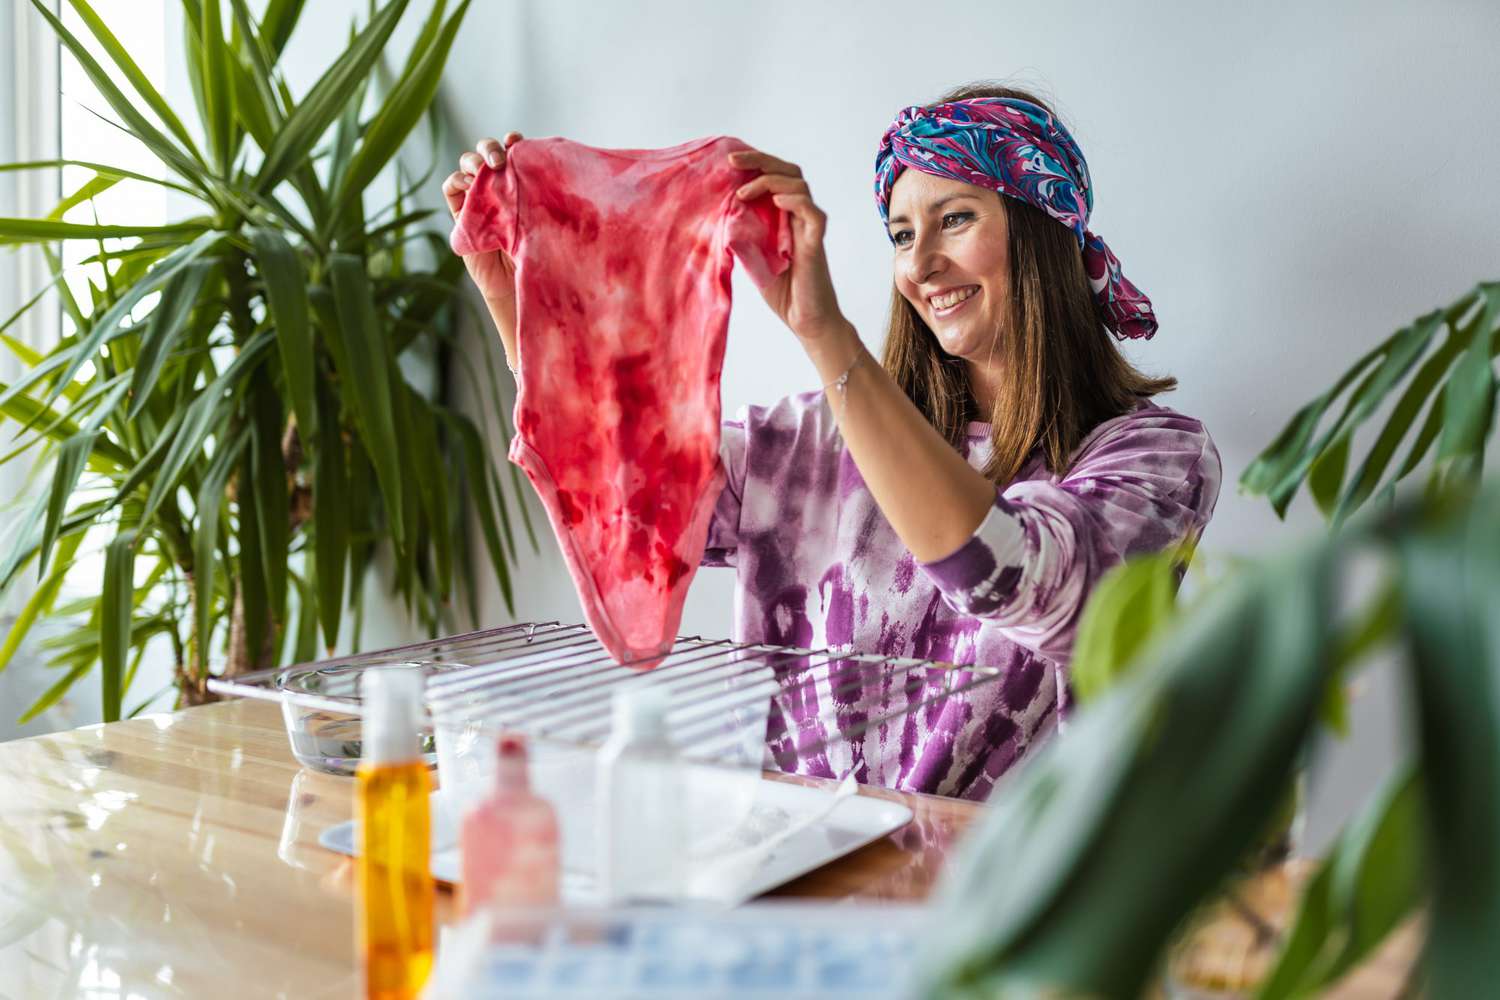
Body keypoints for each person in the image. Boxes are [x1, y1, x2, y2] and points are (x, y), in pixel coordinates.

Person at [442, 83, 1221, 801]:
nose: (919, 264)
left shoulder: (1156, 460)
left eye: (955, 219)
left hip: (1007, 922)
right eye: (901, 232)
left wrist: (825, 333)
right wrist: (518, 299)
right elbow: (636, 491)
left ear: (1043, 233)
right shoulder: (815, 441)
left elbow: (1017, 577)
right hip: (804, 883)